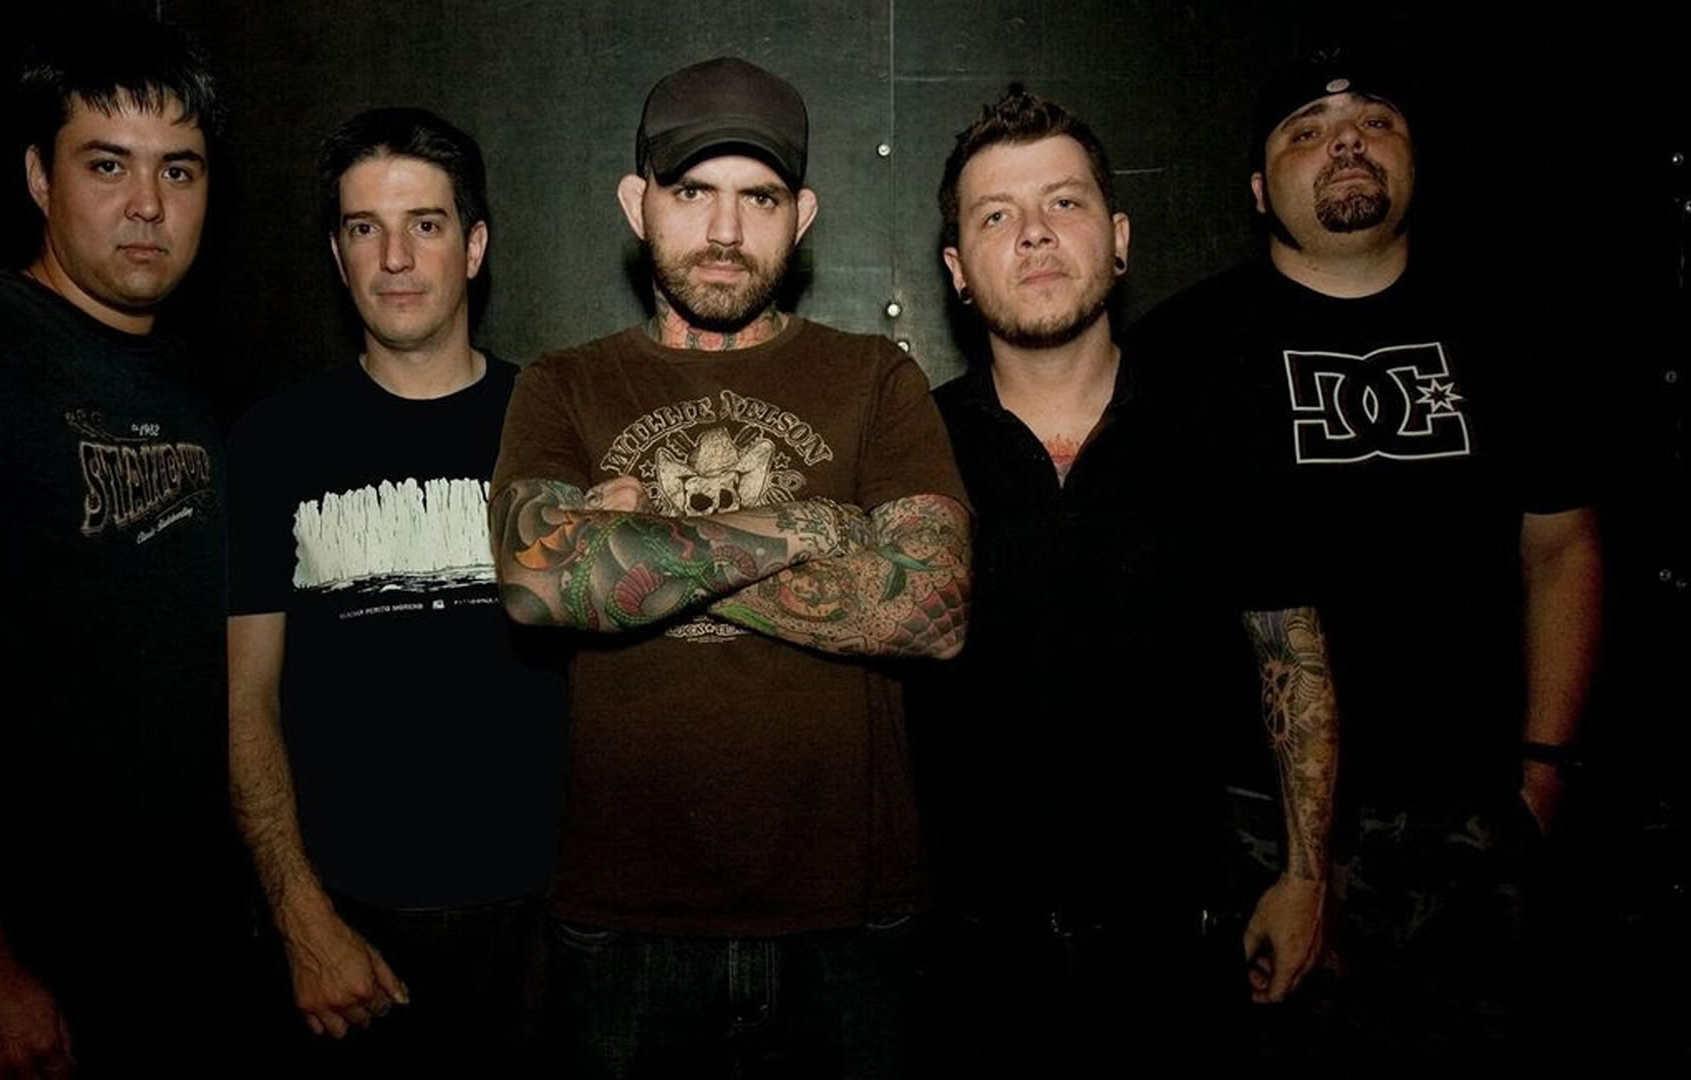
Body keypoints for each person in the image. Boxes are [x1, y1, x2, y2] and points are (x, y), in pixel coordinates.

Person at [488, 56, 971, 1078]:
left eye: (758, 198)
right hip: (623, 921)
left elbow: (930, 607)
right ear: (637, 204)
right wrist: (816, 525)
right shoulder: (564, 384)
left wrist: (639, 541)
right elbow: (540, 582)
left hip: (853, 922)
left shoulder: (875, 377)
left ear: (803, 217)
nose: (723, 230)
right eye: (691, 192)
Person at [1130, 48, 1602, 1075]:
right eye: (1306, 130)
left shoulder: (1508, 329)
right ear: (1260, 191)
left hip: (1473, 816)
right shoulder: (1185, 347)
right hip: (1257, 827)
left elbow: (1562, 549)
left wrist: (1543, 781)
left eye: (1375, 122)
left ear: (1416, 158)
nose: (1346, 140)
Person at [0, 15, 261, 1077]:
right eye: (107, 165)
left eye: (179, 170)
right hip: (29, 957)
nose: (147, 204)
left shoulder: (199, 377)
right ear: (39, 176)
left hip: (190, 945)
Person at [913, 85, 1340, 1071]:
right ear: (958, 272)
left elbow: (1291, 649)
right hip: (961, 961)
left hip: (1185, 951)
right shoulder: (912, 448)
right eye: (995, 215)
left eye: (1064, 202)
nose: (1034, 233)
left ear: (1118, 239)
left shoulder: (1217, 429)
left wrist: (1305, 876)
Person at [226, 107, 564, 1078]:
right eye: (364, 229)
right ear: (338, 257)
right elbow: (244, 699)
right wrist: (300, 919)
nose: (397, 258)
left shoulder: (552, 424)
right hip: (350, 936)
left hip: (547, 933)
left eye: (425, 223)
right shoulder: (274, 442)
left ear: (475, 245)